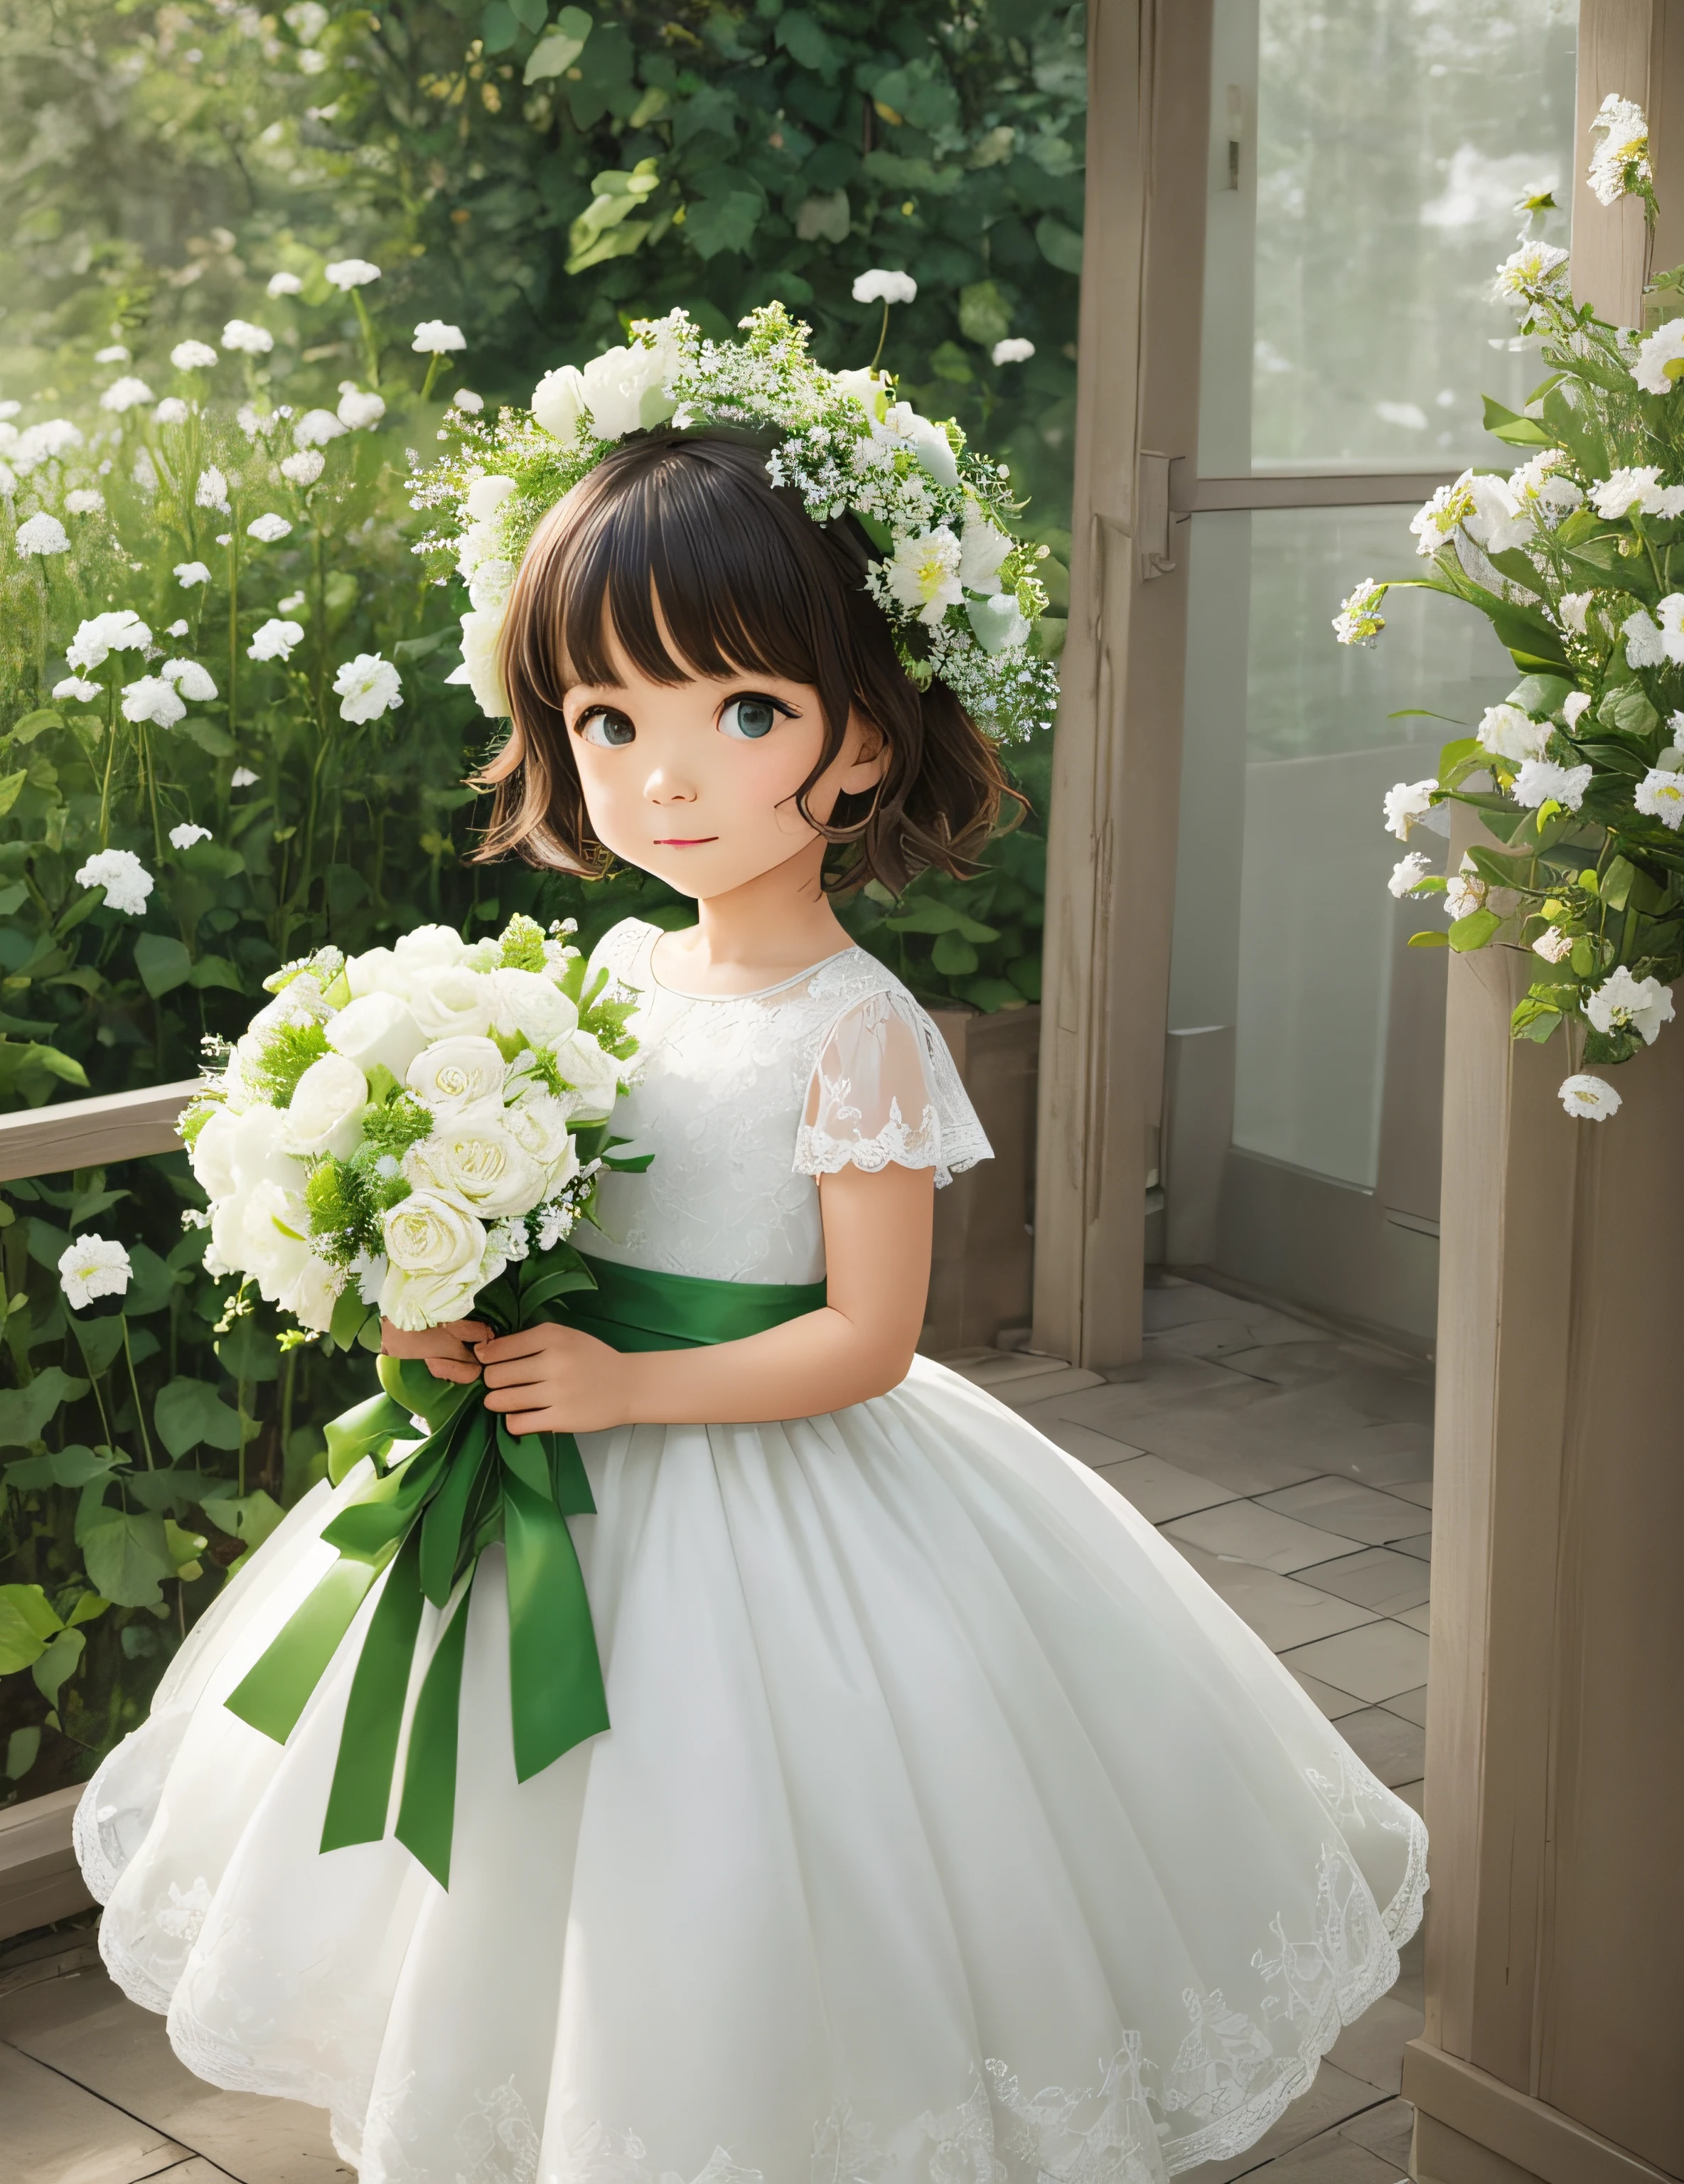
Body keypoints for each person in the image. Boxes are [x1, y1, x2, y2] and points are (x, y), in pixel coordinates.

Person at [77, 316, 1425, 2184]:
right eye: (608, 722)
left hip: (763, 1473)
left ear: (858, 736)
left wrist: (633, 1383)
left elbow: (869, 1339)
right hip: (558, 1453)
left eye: (738, 713)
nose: (665, 778)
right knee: (539, 1869)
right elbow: (568, 1204)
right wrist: (447, 1288)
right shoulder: (608, 978)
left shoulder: (857, 1029)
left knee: (743, 1857)